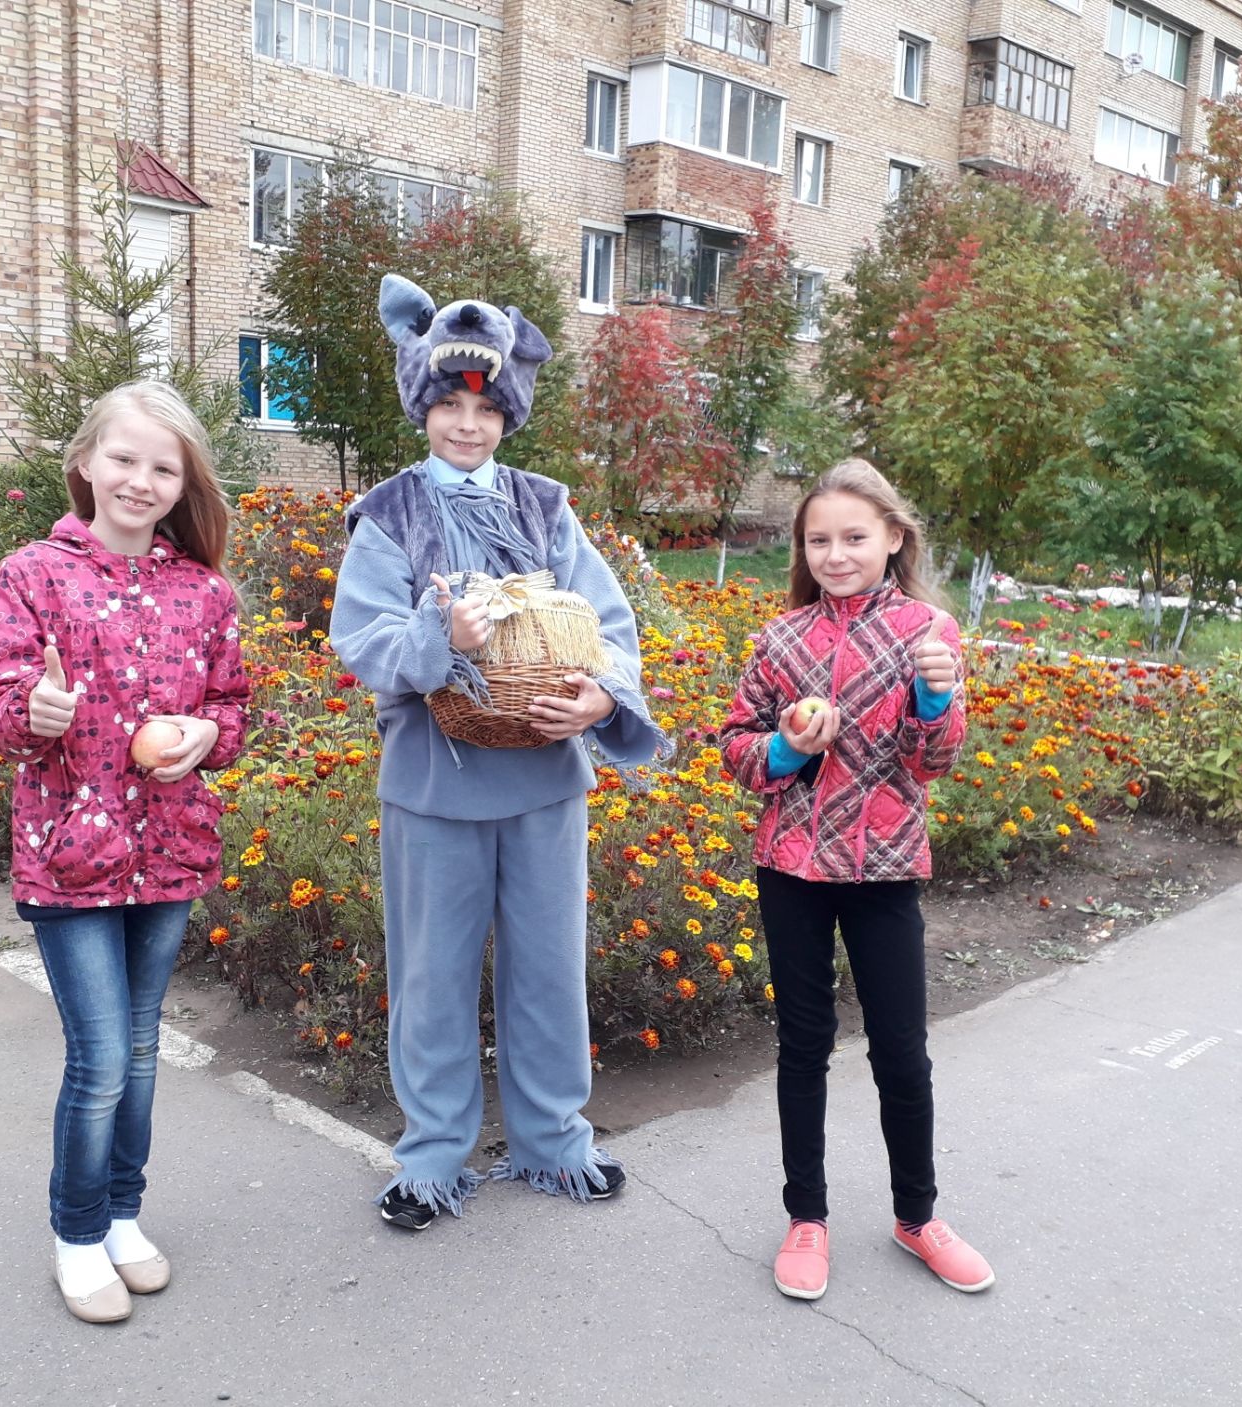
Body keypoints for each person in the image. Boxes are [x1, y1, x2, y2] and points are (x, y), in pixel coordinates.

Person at [330, 274, 669, 1231]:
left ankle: (554, 1139)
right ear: (423, 405)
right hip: (435, 786)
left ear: (508, 412)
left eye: (485, 407)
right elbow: (363, 640)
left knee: (549, 966)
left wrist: (605, 695)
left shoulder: (546, 509)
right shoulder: (388, 516)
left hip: (544, 783)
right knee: (431, 974)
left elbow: (608, 619)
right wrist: (448, 645)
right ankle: (433, 1155)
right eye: (448, 403)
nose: (467, 425)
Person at [0, 380, 250, 1322]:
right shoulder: (34, 574)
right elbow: (2, 714)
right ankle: (77, 1232)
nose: (141, 479)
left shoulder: (203, 590)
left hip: (169, 848)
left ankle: (126, 1215)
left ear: (184, 483)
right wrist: (34, 711)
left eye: (162, 467)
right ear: (87, 462)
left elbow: (232, 706)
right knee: (98, 1056)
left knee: (140, 1048)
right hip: (69, 854)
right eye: (124, 459)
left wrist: (210, 736)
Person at [718, 457, 993, 1302]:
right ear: (802, 548)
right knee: (802, 1049)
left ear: (893, 538)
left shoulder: (927, 633)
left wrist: (938, 703)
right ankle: (807, 1218)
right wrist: (786, 747)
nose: (836, 554)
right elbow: (735, 746)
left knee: (902, 1054)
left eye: (854, 537)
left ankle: (918, 1217)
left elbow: (932, 764)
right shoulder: (781, 638)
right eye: (819, 539)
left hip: (883, 869)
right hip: (793, 868)